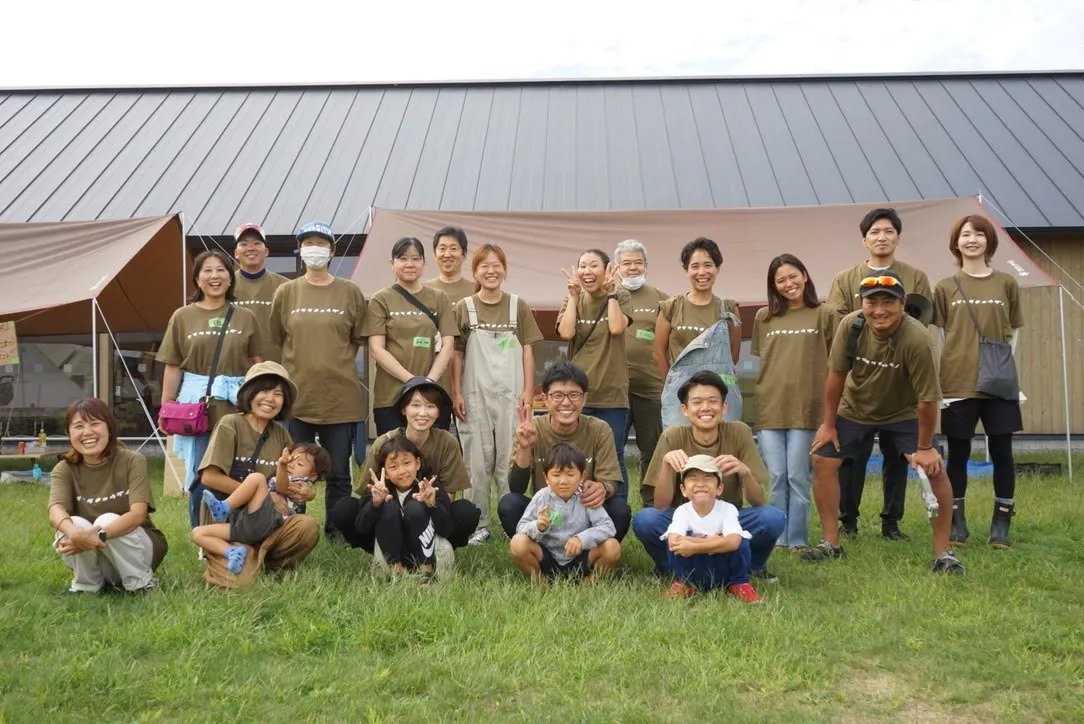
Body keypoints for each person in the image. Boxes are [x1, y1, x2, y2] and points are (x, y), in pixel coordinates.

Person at [804, 272, 964, 574]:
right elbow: (836, 376)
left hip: (904, 412)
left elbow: (927, 399)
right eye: (871, 302)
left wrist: (925, 448)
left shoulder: (917, 339)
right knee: (822, 459)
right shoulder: (851, 325)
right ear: (862, 304)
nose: (879, 310)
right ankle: (831, 544)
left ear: (902, 304)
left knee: (934, 470)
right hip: (855, 407)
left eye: (888, 302)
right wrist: (829, 425)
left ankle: (944, 553)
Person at [826, 208, 933, 540]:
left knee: (897, 459)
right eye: (874, 232)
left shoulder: (916, 277)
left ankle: (891, 522)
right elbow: (838, 324)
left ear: (898, 237)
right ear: (864, 240)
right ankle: (848, 521)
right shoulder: (845, 278)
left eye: (888, 231)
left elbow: (919, 323)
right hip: (858, 388)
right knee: (850, 459)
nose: (881, 237)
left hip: (900, 390)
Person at [632, 371, 785, 582]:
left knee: (772, 518)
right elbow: (660, 505)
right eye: (697, 402)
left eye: (713, 401)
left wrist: (745, 472)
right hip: (685, 521)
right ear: (685, 409)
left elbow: (758, 502)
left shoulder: (739, 432)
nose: (705, 408)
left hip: (727, 520)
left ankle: (752, 567)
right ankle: (670, 567)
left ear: (724, 407)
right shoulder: (672, 436)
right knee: (645, 520)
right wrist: (667, 465)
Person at [269, 221, 367, 542]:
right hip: (297, 398)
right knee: (294, 467)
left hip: (339, 398)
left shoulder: (350, 292)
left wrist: (333, 362)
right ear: (300, 250)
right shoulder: (286, 292)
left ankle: (336, 529)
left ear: (332, 251)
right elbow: (278, 337)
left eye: (321, 243)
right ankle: (295, 525)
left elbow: (357, 338)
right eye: (308, 243)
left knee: (338, 471)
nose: (315, 249)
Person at [933, 215, 1024, 548]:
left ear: (989, 241)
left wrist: (1003, 370)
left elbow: (1014, 332)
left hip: (999, 384)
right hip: (957, 383)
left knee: (1002, 452)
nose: (972, 240)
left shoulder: (1007, 283)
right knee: (958, 453)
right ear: (956, 243)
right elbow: (941, 336)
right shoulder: (945, 286)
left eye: (979, 234)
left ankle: (1001, 524)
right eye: (965, 235)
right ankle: (956, 523)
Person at [157, 249, 264, 529]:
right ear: (197, 278)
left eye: (221, 270)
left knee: (238, 466)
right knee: (201, 470)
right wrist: (166, 406)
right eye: (207, 270)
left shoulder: (246, 317)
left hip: (238, 403)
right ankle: (201, 533)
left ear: (231, 277)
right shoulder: (182, 316)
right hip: (198, 406)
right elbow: (173, 365)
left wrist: (261, 401)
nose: (214, 276)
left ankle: (239, 529)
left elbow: (257, 363)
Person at [195, 362, 320, 588]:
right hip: (233, 524)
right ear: (249, 394)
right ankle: (245, 559)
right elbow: (209, 478)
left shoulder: (280, 433)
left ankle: (269, 562)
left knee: (307, 526)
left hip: (268, 521)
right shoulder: (230, 424)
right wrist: (261, 495)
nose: (270, 399)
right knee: (240, 586)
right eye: (263, 390)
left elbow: (289, 478)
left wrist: (308, 491)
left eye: (278, 394)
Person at [451, 243, 543, 545]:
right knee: (476, 460)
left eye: (496, 265)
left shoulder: (518, 306)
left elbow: (528, 351)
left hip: (511, 394)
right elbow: (457, 353)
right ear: (475, 271)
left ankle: (510, 522)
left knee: (510, 457)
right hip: (474, 393)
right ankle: (479, 524)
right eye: (484, 266)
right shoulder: (464, 307)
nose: (491, 271)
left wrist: (528, 391)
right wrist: (456, 392)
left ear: (504, 269)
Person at [329, 377, 481, 559]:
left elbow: (449, 494)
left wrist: (429, 501)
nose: (422, 413)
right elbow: (367, 495)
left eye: (430, 406)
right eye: (415, 405)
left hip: (429, 512)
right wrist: (382, 500)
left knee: (467, 511)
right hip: (388, 513)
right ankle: (381, 550)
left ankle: (434, 549)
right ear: (404, 409)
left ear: (438, 412)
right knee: (344, 509)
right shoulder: (384, 442)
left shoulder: (447, 442)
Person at [751, 254, 838, 550]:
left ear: (805, 276)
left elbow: (837, 365)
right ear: (773, 286)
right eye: (780, 280)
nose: (788, 284)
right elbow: (765, 360)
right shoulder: (764, 317)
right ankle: (778, 537)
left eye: (793, 277)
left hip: (807, 407)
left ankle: (797, 539)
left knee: (798, 476)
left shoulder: (825, 314)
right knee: (777, 476)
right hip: (770, 406)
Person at [499, 362, 632, 543]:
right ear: (545, 399)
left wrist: (603, 488)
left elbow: (611, 482)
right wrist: (524, 448)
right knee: (509, 504)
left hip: (585, 514)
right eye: (558, 395)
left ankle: (589, 553)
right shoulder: (531, 429)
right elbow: (516, 488)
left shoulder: (599, 429)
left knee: (619, 509)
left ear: (584, 398)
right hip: (546, 515)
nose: (566, 402)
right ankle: (540, 552)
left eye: (574, 395)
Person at [48, 398, 167, 594]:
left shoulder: (132, 460)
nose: (87, 432)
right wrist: (76, 535)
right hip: (95, 555)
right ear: (69, 433)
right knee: (72, 524)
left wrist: (97, 536)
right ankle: (86, 586)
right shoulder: (64, 469)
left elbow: (138, 514)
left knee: (107, 520)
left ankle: (141, 584)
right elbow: (55, 511)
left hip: (138, 552)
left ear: (109, 428)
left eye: (95, 423)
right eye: (79, 426)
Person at [557, 248, 633, 496]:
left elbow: (616, 327)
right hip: (577, 395)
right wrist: (572, 298)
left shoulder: (621, 295)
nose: (587, 272)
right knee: (574, 455)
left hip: (612, 393)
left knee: (614, 454)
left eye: (593, 266)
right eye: (582, 266)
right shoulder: (573, 299)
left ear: (607, 270)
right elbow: (566, 333)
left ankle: (618, 508)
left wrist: (611, 294)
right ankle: (575, 505)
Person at [364, 236, 457, 435]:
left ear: (424, 262)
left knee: (433, 452)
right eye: (403, 258)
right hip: (391, 396)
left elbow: (448, 346)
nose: (409, 264)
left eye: (415, 259)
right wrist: (413, 381)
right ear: (392, 263)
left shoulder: (439, 298)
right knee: (395, 451)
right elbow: (377, 349)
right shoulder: (380, 299)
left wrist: (428, 382)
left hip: (432, 396)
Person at [192, 442, 331, 574]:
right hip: (250, 524)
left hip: (270, 523)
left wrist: (282, 464)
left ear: (312, 476)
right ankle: (232, 552)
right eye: (291, 460)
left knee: (257, 478)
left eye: (299, 463)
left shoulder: (300, 483)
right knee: (198, 533)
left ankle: (225, 507)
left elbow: (282, 486)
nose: (292, 464)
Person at [654, 237, 743, 428]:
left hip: (719, 398)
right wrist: (677, 386)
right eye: (695, 266)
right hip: (680, 398)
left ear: (717, 269)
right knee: (680, 445)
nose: (702, 272)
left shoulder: (729, 308)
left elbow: (733, 356)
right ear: (686, 271)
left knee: (722, 445)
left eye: (708, 265)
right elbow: (658, 354)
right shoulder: (671, 307)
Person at [510, 443, 621, 583]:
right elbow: (521, 528)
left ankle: (588, 584)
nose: (563, 481)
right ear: (546, 477)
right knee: (518, 543)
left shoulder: (586, 497)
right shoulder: (542, 497)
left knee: (612, 547)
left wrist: (582, 539)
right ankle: (540, 582)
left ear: (581, 477)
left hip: (580, 557)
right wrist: (537, 526)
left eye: (570, 474)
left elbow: (608, 527)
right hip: (547, 557)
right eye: (556, 475)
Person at [661, 455, 761, 603]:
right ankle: (684, 583)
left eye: (708, 478)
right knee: (675, 546)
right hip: (696, 567)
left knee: (742, 541)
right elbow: (673, 542)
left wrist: (693, 545)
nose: (700, 484)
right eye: (693, 479)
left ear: (719, 489)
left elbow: (733, 542)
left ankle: (740, 584)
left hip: (722, 567)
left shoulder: (727, 509)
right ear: (683, 489)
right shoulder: (682, 511)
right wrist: (714, 541)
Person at [613, 239, 669, 503]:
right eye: (627, 263)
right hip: (614, 391)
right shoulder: (607, 296)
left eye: (638, 263)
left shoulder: (662, 299)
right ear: (617, 268)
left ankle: (651, 506)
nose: (633, 268)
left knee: (653, 451)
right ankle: (615, 506)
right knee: (612, 451)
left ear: (647, 266)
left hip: (651, 388)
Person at [357, 436, 452, 583]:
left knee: (415, 508)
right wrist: (375, 504)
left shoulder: (430, 488)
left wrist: (431, 505)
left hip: (430, 553)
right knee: (387, 507)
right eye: (393, 467)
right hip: (391, 554)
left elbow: (447, 529)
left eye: (407, 463)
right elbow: (361, 529)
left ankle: (426, 573)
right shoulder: (377, 490)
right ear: (385, 473)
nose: (402, 471)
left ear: (417, 463)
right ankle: (397, 572)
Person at [425, 226, 476, 408]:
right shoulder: (422, 291)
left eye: (453, 248)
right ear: (434, 254)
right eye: (442, 248)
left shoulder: (477, 290)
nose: (447, 254)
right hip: (432, 379)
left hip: (472, 379)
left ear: (464, 255)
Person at [232, 223, 288, 363]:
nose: (251, 248)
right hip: (234, 368)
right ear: (236, 253)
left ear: (266, 251)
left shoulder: (285, 286)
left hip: (276, 367)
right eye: (244, 244)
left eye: (257, 243)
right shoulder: (224, 285)